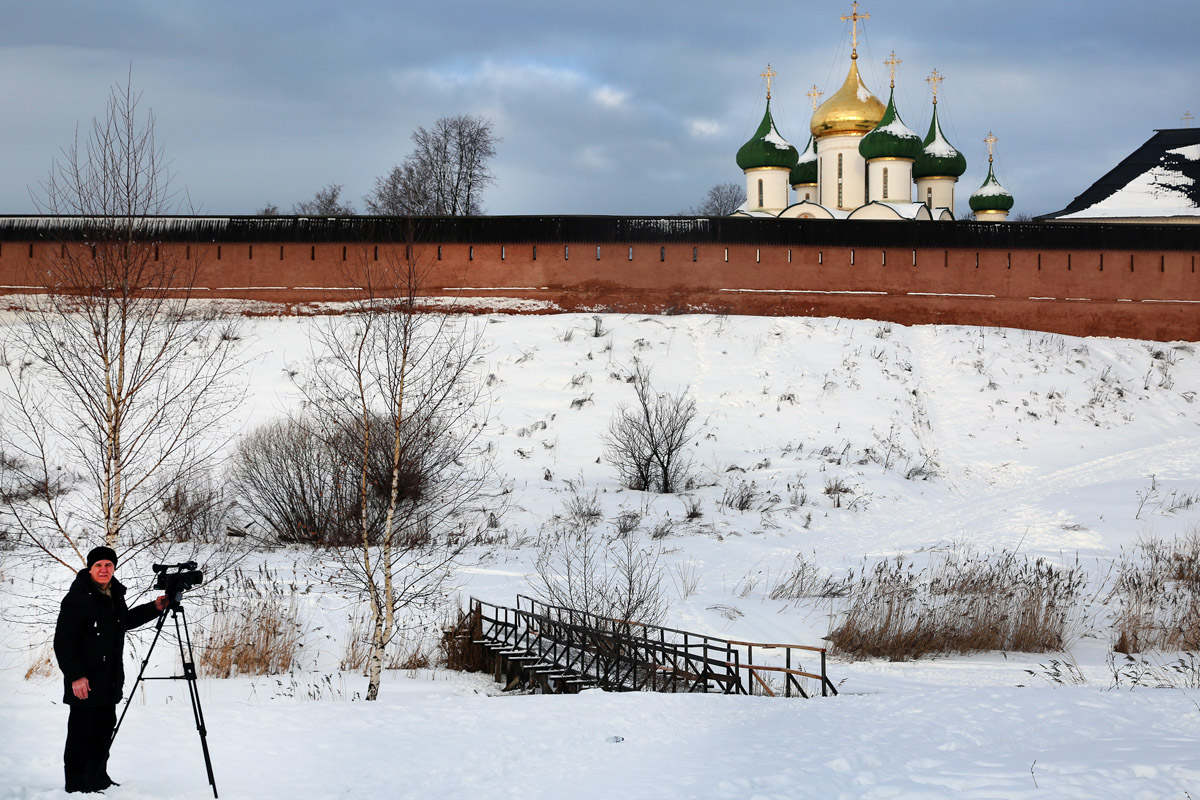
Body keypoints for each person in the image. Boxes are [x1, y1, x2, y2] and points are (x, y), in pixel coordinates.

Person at [53, 546, 167, 793]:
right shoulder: (77, 598)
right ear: (90, 568)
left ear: (113, 568)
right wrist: (76, 676)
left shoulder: (114, 593)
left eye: (108, 565)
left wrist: (154, 607)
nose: (104, 570)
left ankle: (98, 779)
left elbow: (123, 622)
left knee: (104, 731)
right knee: (81, 735)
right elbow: (63, 643)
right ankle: (77, 785)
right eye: (98, 565)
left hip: (110, 679)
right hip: (85, 680)